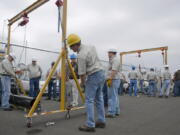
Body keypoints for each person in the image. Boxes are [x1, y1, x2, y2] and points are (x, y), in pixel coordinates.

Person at [67, 34, 105, 132]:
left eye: (71, 46)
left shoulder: (81, 56)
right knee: (99, 98)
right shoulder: (91, 46)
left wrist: (83, 84)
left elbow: (82, 74)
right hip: (101, 73)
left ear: (75, 44)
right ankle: (101, 121)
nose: (71, 49)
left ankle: (90, 124)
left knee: (89, 100)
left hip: (93, 75)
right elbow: (93, 62)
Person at [106, 48, 121, 118]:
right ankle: (116, 111)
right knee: (115, 96)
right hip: (113, 79)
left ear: (113, 53)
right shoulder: (112, 60)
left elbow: (114, 70)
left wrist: (110, 79)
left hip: (113, 79)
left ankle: (111, 112)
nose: (108, 54)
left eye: (109, 53)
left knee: (112, 96)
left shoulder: (115, 60)